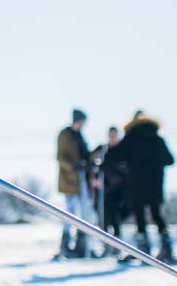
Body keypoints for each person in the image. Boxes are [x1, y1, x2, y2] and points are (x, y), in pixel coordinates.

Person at [110, 110, 176, 263]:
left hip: (137, 183)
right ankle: (167, 247)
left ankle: (143, 249)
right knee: (156, 213)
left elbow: (117, 156)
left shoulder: (131, 137)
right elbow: (170, 160)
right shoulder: (158, 139)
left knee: (139, 214)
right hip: (155, 184)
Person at [56, 109, 95, 258]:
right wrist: (74, 166)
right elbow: (61, 157)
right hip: (69, 180)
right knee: (69, 212)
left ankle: (81, 245)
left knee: (85, 212)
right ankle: (65, 246)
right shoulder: (65, 135)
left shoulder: (80, 136)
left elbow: (85, 156)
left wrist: (94, 155)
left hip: (81, 180)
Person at [97, 127, 133, 260]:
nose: (112, 138)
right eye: (110, 136)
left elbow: (125, 169)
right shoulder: (106, 151)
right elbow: (103, 167)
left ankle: (117, 244)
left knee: (117, 217)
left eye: (114, 136)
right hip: (108, 189)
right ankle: (107, 245)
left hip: (121, 190)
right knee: (107, 217)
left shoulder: (122, 150)